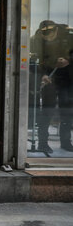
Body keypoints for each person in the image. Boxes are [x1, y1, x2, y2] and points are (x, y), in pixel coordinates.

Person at [30, 20, 73, 152]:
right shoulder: (36, 39)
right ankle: (43, 143)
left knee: (67, 110)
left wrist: (68, 60)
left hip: (67, 78)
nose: (48, 39)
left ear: (56, 31)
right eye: (45, 37)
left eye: (51, 36)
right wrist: (42, 74)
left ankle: (66, 142)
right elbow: (32, 60)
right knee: (47, 111)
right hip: (49, 78)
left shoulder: (69, 36)